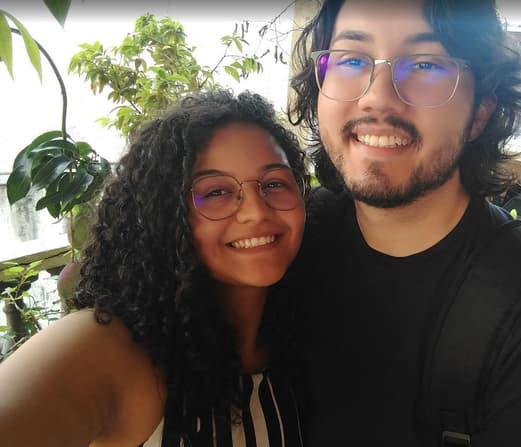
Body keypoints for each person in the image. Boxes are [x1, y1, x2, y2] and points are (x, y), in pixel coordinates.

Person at [286, 0, 521, 446]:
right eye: (352, 59)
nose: (377, 97)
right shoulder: (293, 236)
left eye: (426, 65)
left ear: (480, 112)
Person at [0, 90, 307, 447]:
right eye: (215, 192)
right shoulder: (114, 349)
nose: (255, 211)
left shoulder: (303, 339)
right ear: (165, 214)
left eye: (274, 184)